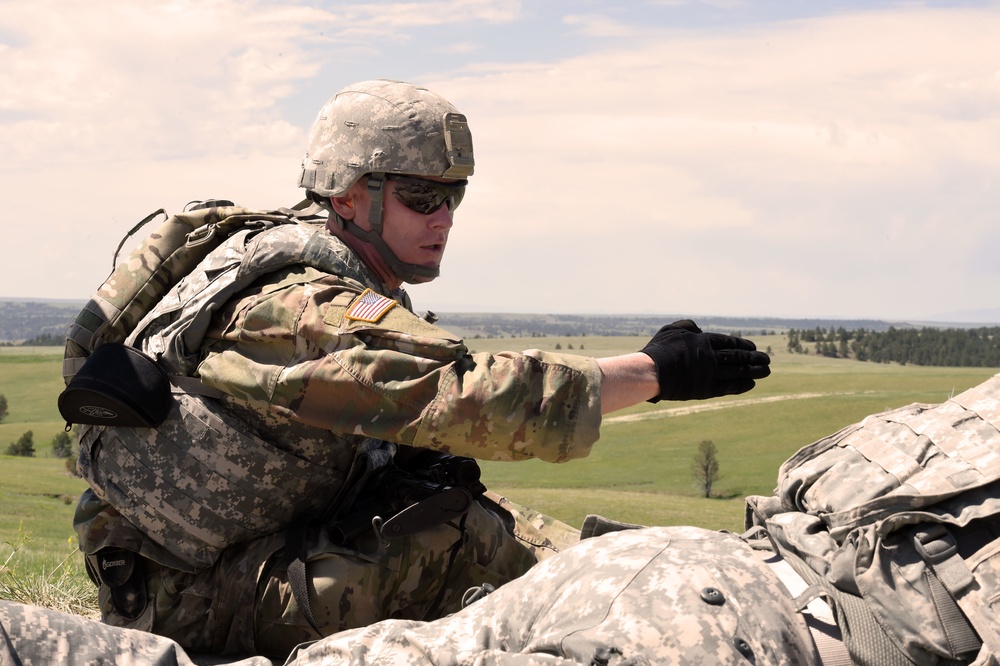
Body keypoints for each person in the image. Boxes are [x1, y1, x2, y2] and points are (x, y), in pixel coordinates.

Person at [68, 79, 771, 659]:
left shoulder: (293, 257)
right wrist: (655, 371)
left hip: (248, 552)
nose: (444, 220)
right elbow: (471, 399)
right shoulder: (298, 304)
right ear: (347, 194)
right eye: (421, 198)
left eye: (453, 195)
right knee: (463, 541)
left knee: (477, 516)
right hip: (187, 603)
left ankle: (669, 577)